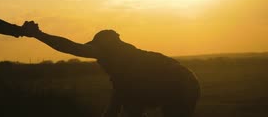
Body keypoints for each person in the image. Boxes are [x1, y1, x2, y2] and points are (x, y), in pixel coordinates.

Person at [23, 23, 200, 117]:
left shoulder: (112, 55)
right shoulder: (127, 63)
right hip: (186, 79)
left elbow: (72, 48)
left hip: (176, 83)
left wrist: (39, 35)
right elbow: (114, 108)